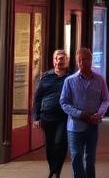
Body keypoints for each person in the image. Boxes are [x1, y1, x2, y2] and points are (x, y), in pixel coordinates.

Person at [59, 47, 109, 178]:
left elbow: (106, 99)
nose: (82, 62)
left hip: (92, 125)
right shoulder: (70, 81)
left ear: (91, 60)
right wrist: (79, 114)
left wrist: (99, 113)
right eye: (80, 60)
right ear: (77, 62)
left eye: (85, 59)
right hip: (75, 127)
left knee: (90, 158)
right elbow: (64, 102)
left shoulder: (99, 80)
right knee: (76, 157)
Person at [33, 49, 70, 178]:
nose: (59, 61)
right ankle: (53, 169)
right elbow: (37, 98)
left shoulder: (71, 78)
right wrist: (36, 117)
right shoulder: (45, 77)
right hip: (47, 117)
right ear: (53, 61)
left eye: (62, 58)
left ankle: (56, 171)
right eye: (57, 58)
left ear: (67, 61)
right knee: (50, 146)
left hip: (64, 117)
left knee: (60, 143)